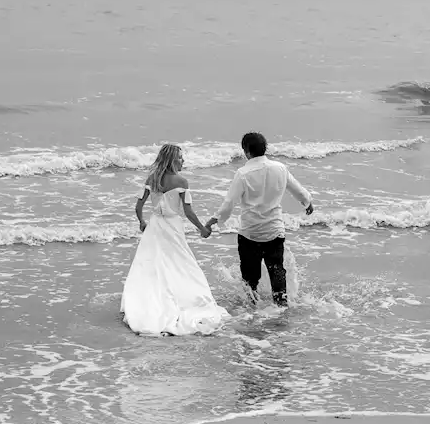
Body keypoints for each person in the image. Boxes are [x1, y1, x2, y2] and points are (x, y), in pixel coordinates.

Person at [121, 143, 231, 335]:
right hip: (173, 227)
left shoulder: (152, 179)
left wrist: (142, 222)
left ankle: (148, 301)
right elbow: (188, 212)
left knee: (152, 264)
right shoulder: (181, 182)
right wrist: (202, 229)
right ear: (172, 159)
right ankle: (179, 299)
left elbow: (138, 207)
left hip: (154, 226)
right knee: (180, 263)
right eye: (180, 157)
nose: (183, 160)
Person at [206, 132, 314, 307]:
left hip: (251, 233)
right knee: (277, 270)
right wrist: (307, 202)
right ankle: (281, 306)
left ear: (246, 151)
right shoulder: (280, 168)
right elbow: (297, 190)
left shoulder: (243, 173)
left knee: (250, 277)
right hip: (274, 230)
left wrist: (215, 219)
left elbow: (229, 203)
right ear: (265, 148)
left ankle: (252, 309)